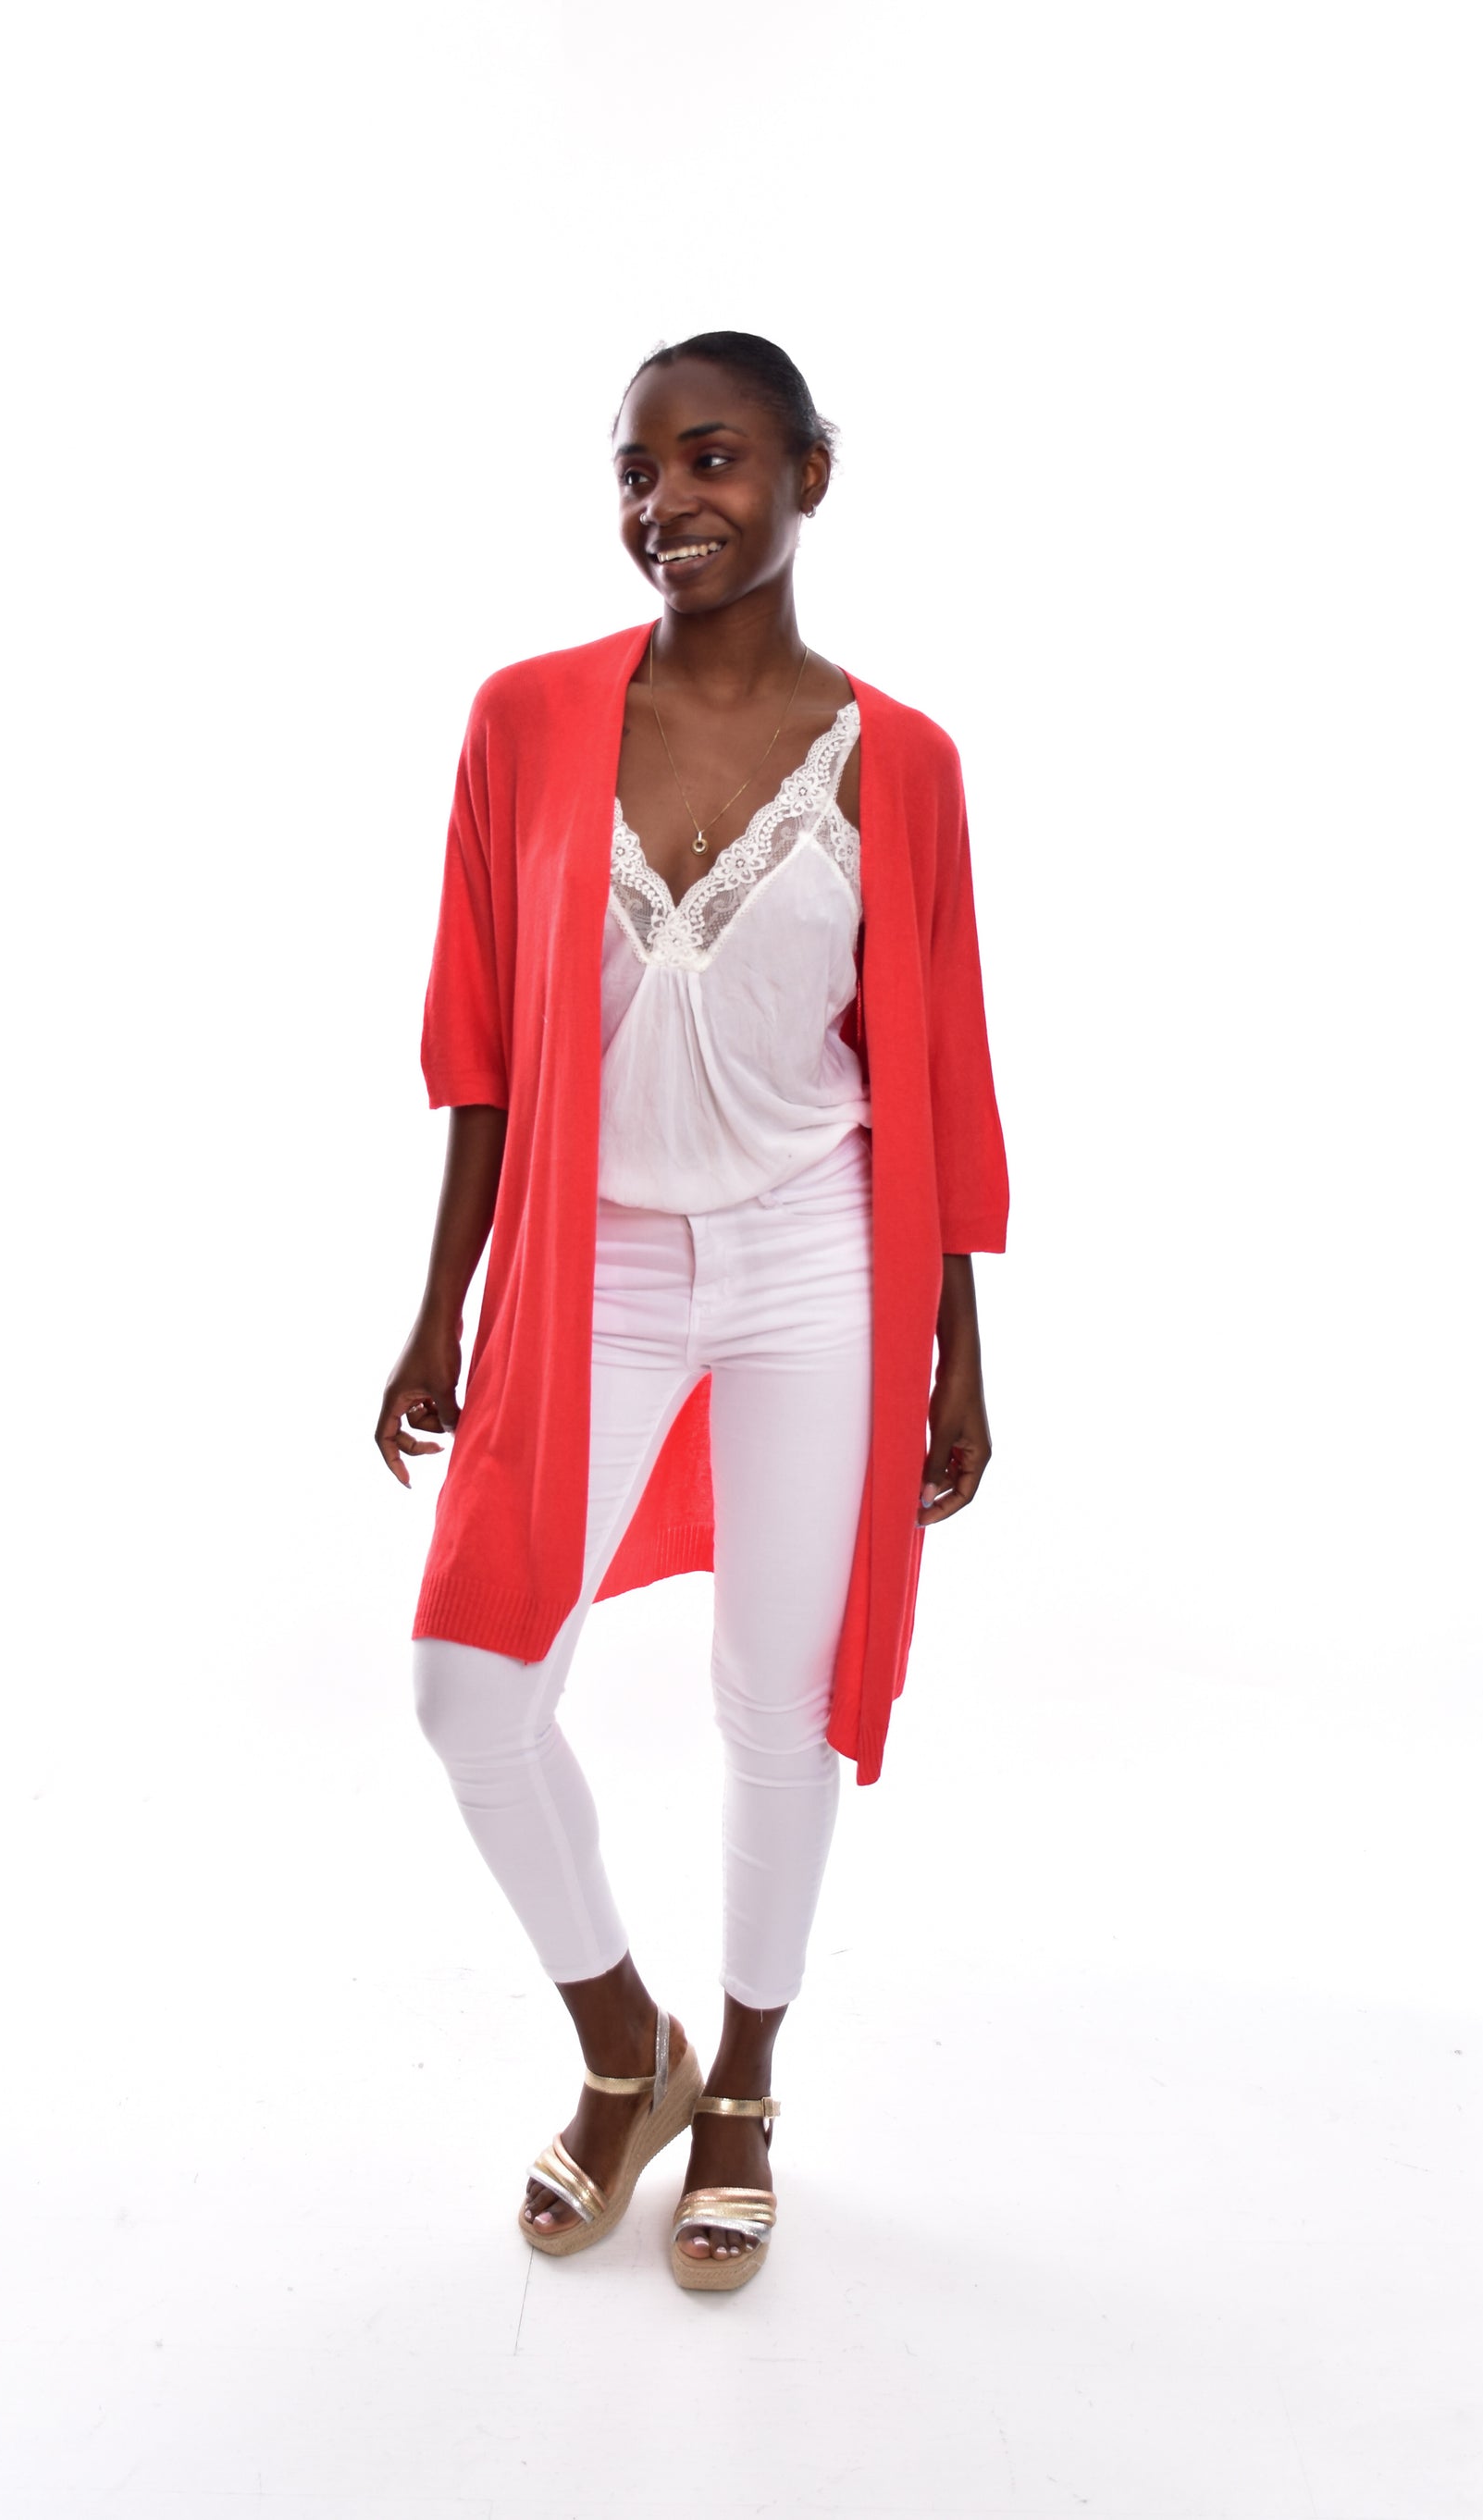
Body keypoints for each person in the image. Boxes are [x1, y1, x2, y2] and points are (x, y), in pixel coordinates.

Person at [377, 330, 1008, 2291]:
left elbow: (932, 1055)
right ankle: (622, 2047)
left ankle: (740, 2082)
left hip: (823, 1254)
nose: (670, 505)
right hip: (598, 1262)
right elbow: (479, 1040)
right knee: (471, 1690)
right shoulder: (524, 721)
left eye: (713, 459)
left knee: (776, 1700)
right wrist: (442, 1303)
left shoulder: (901, 762)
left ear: (810, 472)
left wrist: (958, 1343)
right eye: (637, 473)